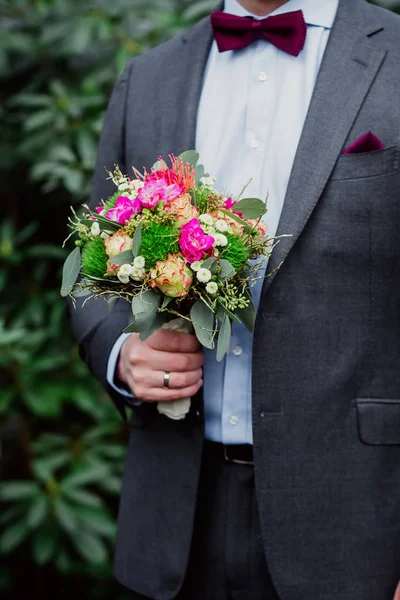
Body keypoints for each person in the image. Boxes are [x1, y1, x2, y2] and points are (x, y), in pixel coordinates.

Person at [69, 0, 400, 598]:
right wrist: (122, 352)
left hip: (359, 528)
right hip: (174, 521)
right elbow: (92, 275)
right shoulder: (150, 76)